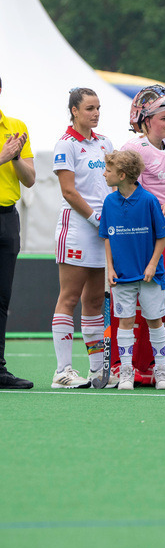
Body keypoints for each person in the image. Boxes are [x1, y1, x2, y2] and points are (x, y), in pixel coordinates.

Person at [50, 88, 113, 389]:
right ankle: (62, 372)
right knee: (70, 297)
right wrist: (95, 218)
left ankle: (97, 372)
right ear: (74, 111)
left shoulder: (105, 143)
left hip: (101, 230)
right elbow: (69, 191)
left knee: (94, 300)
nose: (96, 113)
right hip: (77, 228)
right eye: (89, 108)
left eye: (98, 108)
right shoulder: (66, 144)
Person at [122, 85, 165, 334]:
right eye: (164, 118)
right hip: (140, 239)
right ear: (146, 120)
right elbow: (130, 198)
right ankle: (138, 364)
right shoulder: (133, 149)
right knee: (144, 306)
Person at [99, 150, 165, 391]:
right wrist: (110, 268)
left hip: (150, 276)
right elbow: (107, 237)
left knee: (154, 320)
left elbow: (161, 236)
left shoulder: (149, 200)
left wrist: (152, 265)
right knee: (126, 322)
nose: (104, 173)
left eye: (108, 170)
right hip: (122, 276)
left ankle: (162, 371)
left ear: (122, 174)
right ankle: (126, 371)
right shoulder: (109, 202)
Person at [0, 74, 35, 389]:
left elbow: (30, 179)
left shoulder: (16, 127)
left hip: (7, 219)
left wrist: (15, 159)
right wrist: (2, 156)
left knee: (1, 298)